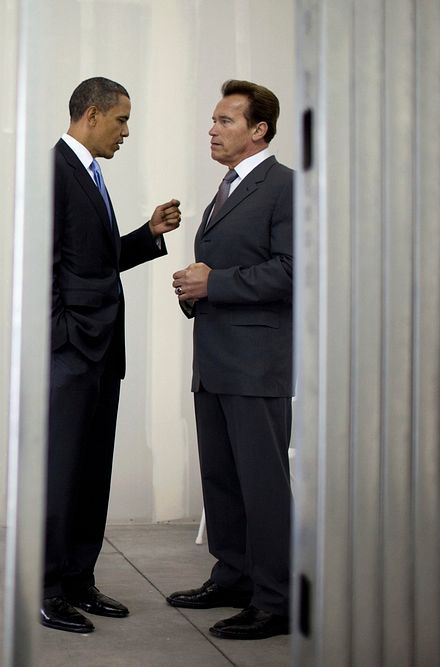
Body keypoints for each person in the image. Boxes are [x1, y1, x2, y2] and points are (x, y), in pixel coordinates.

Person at [42, 77, 182, 634]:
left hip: (101, 352)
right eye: (122, 120)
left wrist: (147, 235)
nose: (127, 132)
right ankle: (48, 588)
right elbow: (42, 266)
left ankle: (79, 579)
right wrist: (62, 338)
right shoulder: (54, 171)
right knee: (60, 474)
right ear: (94, 114)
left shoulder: (90, 175)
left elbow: (91, 264)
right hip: (73, 352)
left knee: (91, 472)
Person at [168, 79, 294, 640]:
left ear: (258, 129)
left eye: (225, 121)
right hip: (216, 357)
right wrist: (197, 290)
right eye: (213, 120)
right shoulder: (227, 186)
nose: (213, 129)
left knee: (262, 481)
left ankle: (276, 599)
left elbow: (295, 271)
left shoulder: (285, 187)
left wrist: (215, 283)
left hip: (256, 361)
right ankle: (233, 575)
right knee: (221, 477)